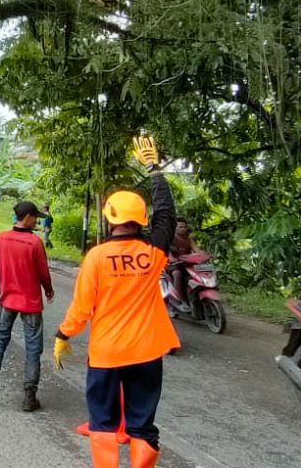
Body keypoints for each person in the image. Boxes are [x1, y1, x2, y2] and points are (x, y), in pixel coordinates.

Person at [54, 136, 178, 468]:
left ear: (110, 218)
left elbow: (82, 307)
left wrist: (64, 335)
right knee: (141, 425)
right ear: (140, 219)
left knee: (104, 424)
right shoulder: (154, 253)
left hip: (107, 355)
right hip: (147, 353)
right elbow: (167, 214)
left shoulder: (96, 257)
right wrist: (154, 170)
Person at [0, 200, 55, 412]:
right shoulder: (35, 243)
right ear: (28, 217)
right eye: (35, 218)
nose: (36, 222)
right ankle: (29, 396)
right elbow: (43, 273)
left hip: (8, 300)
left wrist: (2, 289)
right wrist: (48, 290)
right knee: (33, 349)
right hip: (30, 304)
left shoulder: (2, 239)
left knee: (0, 339)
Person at [166, 217, 199, 307]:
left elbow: (197, 250)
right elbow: (170, 256)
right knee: (177, 274)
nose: (183, 229)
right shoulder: (169, 239)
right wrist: (173, 258)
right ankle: (180, 298)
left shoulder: (189, 239)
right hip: (173, 265)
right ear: (174, 227)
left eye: (184, 227)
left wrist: (205, 255)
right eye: (180, 227)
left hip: (187, 264)